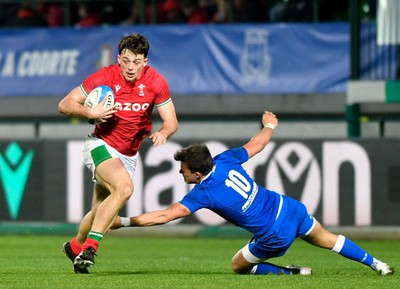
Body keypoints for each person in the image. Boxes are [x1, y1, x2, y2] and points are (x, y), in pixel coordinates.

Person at [111, 111, 394, 276]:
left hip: (275, 233)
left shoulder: (203, 192)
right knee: (330, 239)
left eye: (183, 170)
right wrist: (269, 125)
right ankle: (377, 264)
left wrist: (123, 222)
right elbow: (257, 144)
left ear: (197, 174)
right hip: (289, 207)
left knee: (238, 266)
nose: (180, 174)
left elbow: (165, 215)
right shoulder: (224, 159)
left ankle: (291, 273)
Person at [58, 33, 178, 274]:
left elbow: (171, 121)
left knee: (100, 212)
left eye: (136, 62)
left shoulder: (156, 82)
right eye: (125, 60)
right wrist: (89, 113)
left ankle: (74, 246)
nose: (130, 67)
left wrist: (164, 132)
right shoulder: (104, 76)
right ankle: (90, 249)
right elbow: (65, 104)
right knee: (124, 189)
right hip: (100, 144)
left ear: (145, 62)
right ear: (118, 58)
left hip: (129, 154)